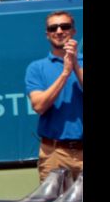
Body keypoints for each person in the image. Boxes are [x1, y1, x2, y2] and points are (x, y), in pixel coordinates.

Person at [26, 11, 83, 181]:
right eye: (53, 28)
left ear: (73, 31)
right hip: (54, 154)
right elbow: (39, 106)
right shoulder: (36, 68)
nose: (59, 31)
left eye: (64, 26)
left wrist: (75, 65)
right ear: (47, 34)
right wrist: (65, 73)